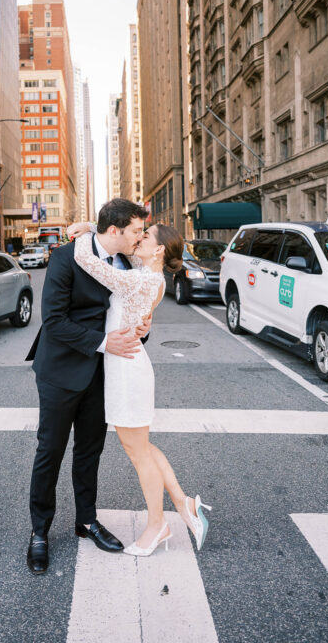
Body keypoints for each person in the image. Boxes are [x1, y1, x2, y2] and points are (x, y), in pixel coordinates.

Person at [67, 219, 212, 556]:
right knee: (142, 446)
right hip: (125, 365)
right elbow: (125, 255)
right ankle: (184, 502)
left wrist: (86, 232)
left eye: (145, 236)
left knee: (137, 451)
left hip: (128, 370)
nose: (138, 239)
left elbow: (89, 262)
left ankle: (157, 525)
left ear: (159, 249)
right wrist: (98, 226)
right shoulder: (146, 274)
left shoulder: (143, 280)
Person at [24, 198, 152, 575]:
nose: (139, 237)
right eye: (134, 231)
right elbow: (55, 321)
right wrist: (102, 341)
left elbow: (131, 312)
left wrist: (142, 331)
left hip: (103, 374)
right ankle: (39, 531)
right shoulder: (65, 258)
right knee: (50, 451)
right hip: (61, 371)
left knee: (89, 452)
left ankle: (87, 521)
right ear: (114, 230)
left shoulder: (129, 262)